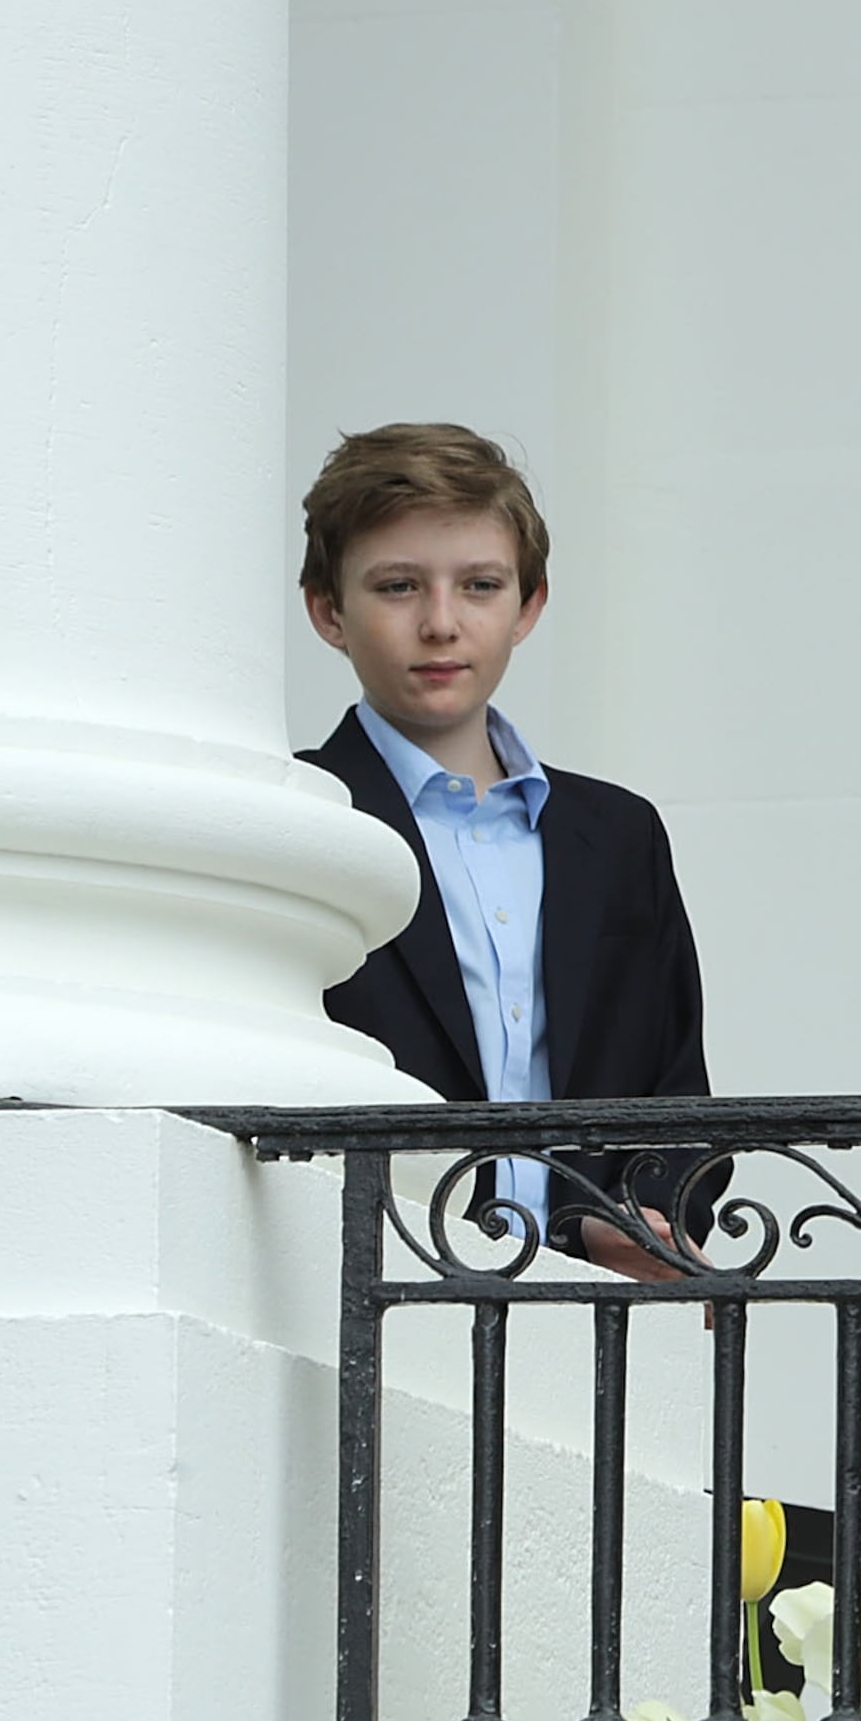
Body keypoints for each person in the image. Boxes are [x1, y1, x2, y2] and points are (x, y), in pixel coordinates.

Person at [302, 423, 713, 1269]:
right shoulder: (298, 817)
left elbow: (677, 1091)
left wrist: (631, 1215)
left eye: (480, 585)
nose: (441, 624)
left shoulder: (618, 834)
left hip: (583, 1302)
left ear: (528, 607)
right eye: (398, 587)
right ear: (327, 611)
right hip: (370, 1286)